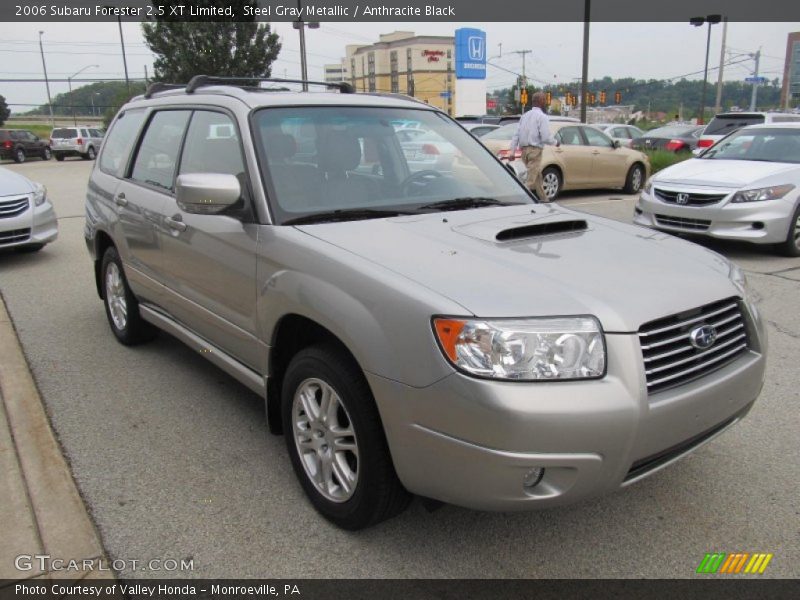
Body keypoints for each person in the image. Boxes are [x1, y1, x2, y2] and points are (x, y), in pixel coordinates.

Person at [507, 91, 559, 201]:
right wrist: (555, 143)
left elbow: (516, 135)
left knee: (537, 176)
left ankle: (544, 200)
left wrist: (512, 152)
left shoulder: (524, 116)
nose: (545, 102)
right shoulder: (542, 117)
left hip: (524, 152)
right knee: (530, 181)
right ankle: (517, 200)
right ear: (541, 101)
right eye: (544, 99)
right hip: (535, 151)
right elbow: (545, 137)